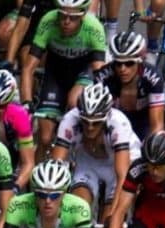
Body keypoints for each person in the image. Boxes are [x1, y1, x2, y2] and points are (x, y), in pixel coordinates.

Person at [52, 81, 142, 228]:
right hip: (88, 163)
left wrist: (115, 213)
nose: (90, 127)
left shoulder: (118, 124)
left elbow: (124, 175)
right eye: (86, 121)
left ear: (106, 116)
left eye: (96, 122)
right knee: (77, 213)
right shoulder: (70, 121)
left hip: (118, 166)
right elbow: (56, 166)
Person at [20, 0, 107, 162]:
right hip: (56, 72)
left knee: (75, 101)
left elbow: (100, 74)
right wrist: (26, 102)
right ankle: (36, 180)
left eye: (72, 18)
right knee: (45, 138)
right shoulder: (48, 21)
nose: (66, 22)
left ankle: (75, 153)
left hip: (83, 70)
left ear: (82, 16)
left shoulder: (94, 28)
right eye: (62, 16)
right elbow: (28, 69)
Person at [92, 30, 165, 140]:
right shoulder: (103, 77)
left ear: (139, 61)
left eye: (129, 63)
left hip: (143, 121)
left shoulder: (153, 79)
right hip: (114, 121)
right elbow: (96, 120)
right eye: (118, 63)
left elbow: (157, 125)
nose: (123, 69)